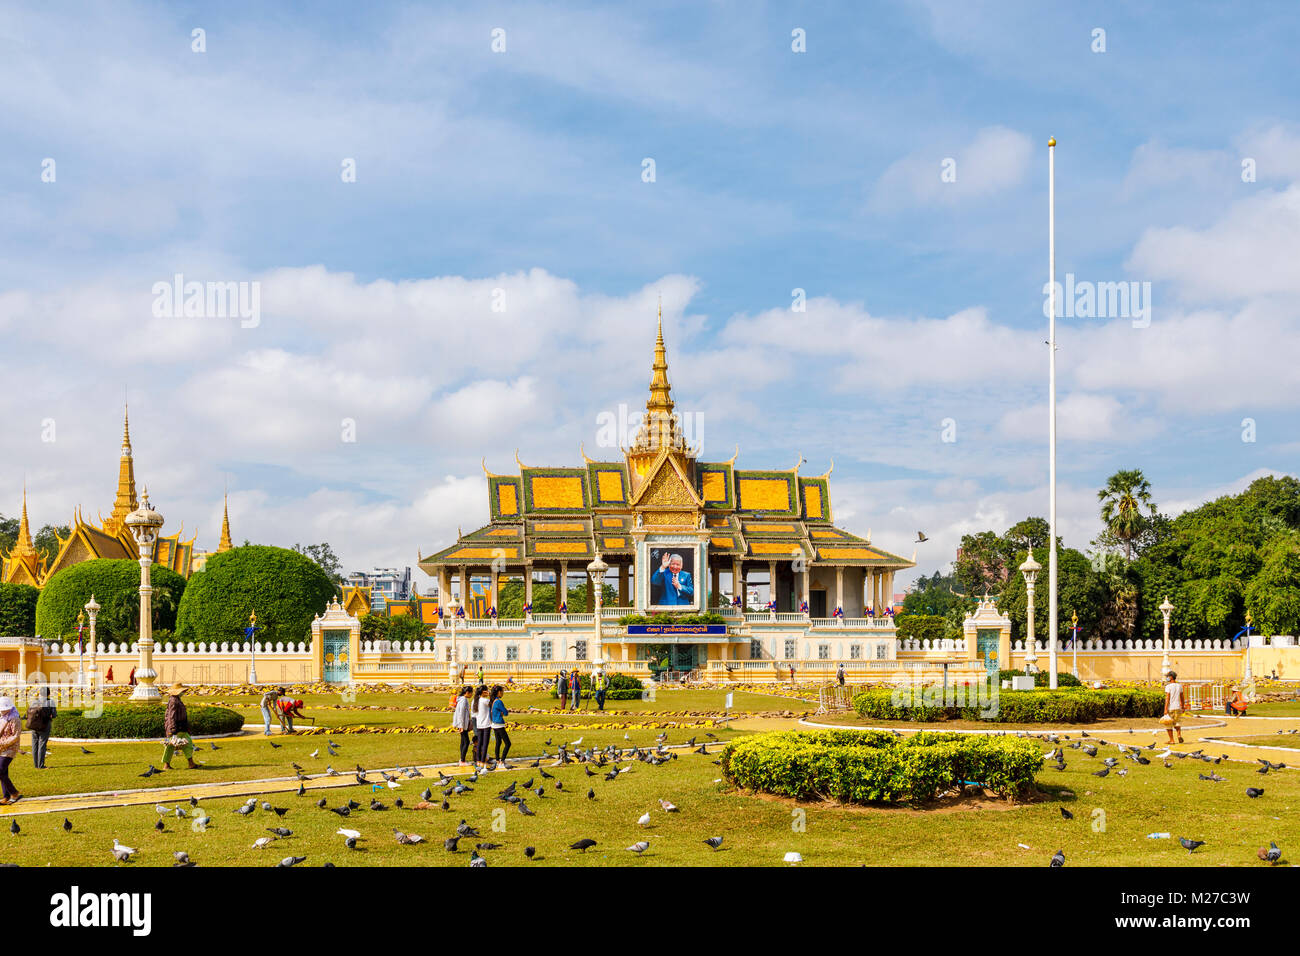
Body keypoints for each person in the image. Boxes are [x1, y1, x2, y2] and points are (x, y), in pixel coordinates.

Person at [162, 683, 198, 771]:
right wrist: (172, 730)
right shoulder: (174, 701)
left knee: (188, 744)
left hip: (181, 727)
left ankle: (191, 763)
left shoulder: (176, 699)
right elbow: (171, 716)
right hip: (176, 728)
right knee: (171, 746)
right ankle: (166, 765)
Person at [0, 696, 23, 805]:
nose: (2, 711)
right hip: (1, 748)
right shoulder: (3, 717)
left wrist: (3, 743)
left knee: (0, 770)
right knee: (3, 772)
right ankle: (6, 796)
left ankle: (14, 793)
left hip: (10, 748)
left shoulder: (15, 718)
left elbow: (16, 736)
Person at [26, 687, 56, 769]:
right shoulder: (51, 702)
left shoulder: (34, 702)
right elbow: (54, 715)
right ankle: (41, 765)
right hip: (45, 726)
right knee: (42, 745)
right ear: (48, 694)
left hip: (34, 726)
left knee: (34, 745)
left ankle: (36, 765)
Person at [452, 685, 473, 766]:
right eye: (471, 693)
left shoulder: (462, 699)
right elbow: (461, 714)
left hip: (462, 723)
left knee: (463, 741)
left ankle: (462, 759)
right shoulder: (463, 700)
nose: (472, 695)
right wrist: (461, 726)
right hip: (462, 724)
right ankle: (462, 760)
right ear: (467, 693)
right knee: (466, 741)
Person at [489, 685, 510, 766]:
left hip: (494, 724)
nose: (503, 693)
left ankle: (497, 760)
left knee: (498, 742)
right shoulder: (498, 702)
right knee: (508, 743)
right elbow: (506, 712)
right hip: (499, 724)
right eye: (502, 691)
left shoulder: (493, 701)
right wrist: (502, 713)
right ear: (498, 692)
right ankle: (502, 760)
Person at [1163, 671, 1185, 745]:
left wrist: (1165, 709)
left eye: (1168, 676)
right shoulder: (1179, 686)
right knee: (1177, 722)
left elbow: (1167, 698)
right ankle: (1179, 735)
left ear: (1171, 677)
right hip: (1178, 707)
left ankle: (1171, 740)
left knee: (1168, 724)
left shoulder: (1168, 687)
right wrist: (1183, 706)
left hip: (1171, 708)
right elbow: (1182, 697)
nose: (1167, 678)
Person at [473, 685, 492, 772]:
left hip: (479, 724)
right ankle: (483, 761)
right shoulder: (485, 700)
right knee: (485, 744)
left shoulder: (476, 700)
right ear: (483, 692)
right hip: (486, 724)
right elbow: (492, 703)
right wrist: (490, 694)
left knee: (480, 743)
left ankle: (478, 761)